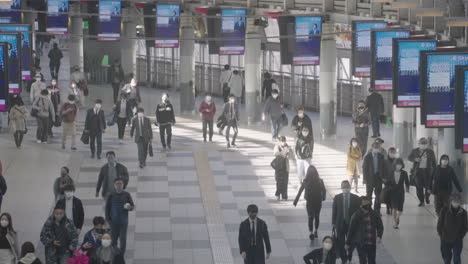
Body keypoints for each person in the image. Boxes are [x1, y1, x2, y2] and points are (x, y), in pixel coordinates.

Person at [346, 196, 384, 264]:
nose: (367, 205)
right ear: (361, 205)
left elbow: (380, 226)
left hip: (371, 242)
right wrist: (348, 243)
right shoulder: (356, 215)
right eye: (365, 203)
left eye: (368, 202)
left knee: (372, 261)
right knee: (363, 261)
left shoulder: (374, 214)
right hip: (361, 243)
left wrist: (379, 236)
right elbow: (351, 230)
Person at [293, 165, 326, 240]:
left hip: (310, 202)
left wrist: (296, 200)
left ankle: (311, 232)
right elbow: (324, 190)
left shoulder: (305, 181)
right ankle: (316, 231)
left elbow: (300, 191)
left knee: (310, 217)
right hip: (318, 202)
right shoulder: (320, 181)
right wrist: (323, 198)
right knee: (317, 216)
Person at [332, 180, 360, 264]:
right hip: (340, 223)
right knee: (341, 242)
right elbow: (334, 211)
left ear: (350, 187)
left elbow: (358, 212)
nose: (345, 188)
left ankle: (350, 254)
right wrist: (333, 223)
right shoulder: (337, 197)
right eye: (344, 187)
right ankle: (344, 258)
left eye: (347, 187)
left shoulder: (356, 198)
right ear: (341, 188)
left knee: (351, 241)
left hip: (351, 223)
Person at [105, 178, 134, 256]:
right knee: (113, 239)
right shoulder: (110, 195)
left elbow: (132, 206)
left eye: (120, 183)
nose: (119, 185)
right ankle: (114, 254)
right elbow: (107, 208)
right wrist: (108, 220)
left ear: (123, 185)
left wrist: (129, 207)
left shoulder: (127, 194)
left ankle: (121, 255)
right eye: (117, 183)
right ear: (114, 185)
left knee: (123, 239)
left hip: (123, 222)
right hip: (113, 222)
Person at [437, 194, 467, 264]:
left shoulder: (463, 213)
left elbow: (465, 226)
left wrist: (460, 236)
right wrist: (441, 235)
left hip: (457, 240)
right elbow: (439, 224)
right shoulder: (444, 210)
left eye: (458, 201)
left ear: (460, 202)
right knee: (446, 258)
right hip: (445, 239)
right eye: (454, 201)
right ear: (451, 201)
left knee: (457, 257)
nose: (456, 203)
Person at [408, 137, 436, 207]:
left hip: (428, 171)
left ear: (427, 144)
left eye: (425, 143)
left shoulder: (430, 152)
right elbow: (409, 157)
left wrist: (435, 171)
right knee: (419, 187)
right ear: (419, 144)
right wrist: (415, 159)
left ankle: (427, 197)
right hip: (418, 172)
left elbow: (434, 162)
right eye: (422, 143)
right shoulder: (415, 151)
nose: (423, 145)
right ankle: (421, 201)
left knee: (428, 187)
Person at [385, 158, 409, 229]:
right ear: (394, 165)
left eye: (400, 164)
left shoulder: (404, 173)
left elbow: (407, 182)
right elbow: (387, 182)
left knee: (400, 209)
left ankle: (398, 217)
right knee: (394, 208)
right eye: (397, 164)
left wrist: (407, 188)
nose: (399, 166)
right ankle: (395, 223)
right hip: (392, 192)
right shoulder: (390, 172)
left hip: (401, 192)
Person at [362, 142, 385, 215]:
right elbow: (364, 168)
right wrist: (364, 179)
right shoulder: (367, 157)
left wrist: (384, 177)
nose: (376, 149)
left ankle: (377, 210)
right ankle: (368, 209)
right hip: (369, 178)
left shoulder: (381, 156)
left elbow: (384, 167)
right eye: (375, 147)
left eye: (377, 147)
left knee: (378, 195)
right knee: (369, 195)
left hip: (378, 178)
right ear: (372, 147)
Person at [271, 136, 290, 201]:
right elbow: (276, 154)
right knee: (279, 182)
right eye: (282, 141)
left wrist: (285, 152)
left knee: (285, 182)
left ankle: (284, 196)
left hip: (285, 167)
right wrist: (284, 152)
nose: (283, 142)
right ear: (280, 141)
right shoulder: (277, 147)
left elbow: (289, 156)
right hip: (278, 167)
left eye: (284, 141)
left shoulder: (287, 147)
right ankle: (278, 194)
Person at [383, 147, 397, 215]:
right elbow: (382, 169)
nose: (392, 154)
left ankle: (392, 207)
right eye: (391, 152)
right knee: (388, 194)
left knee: (394, 195)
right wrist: (384, 178)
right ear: (388, 153)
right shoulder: (385, 161)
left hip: (395, 180)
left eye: (393, 152)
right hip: (387, 180)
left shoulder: (397, 160)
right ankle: (388, 208)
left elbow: (401, 167)